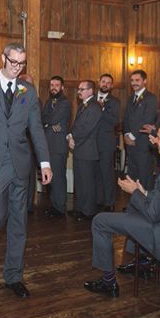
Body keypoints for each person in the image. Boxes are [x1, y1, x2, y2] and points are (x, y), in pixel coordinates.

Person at [0, 43, 52, 299]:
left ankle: (13, 276)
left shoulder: (29, 90)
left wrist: (45, 163)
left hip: (21, 164)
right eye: (13, 62)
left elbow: (36, 129)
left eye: (21, 64)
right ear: (3, 58)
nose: (17, 68)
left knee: (19, 221)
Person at [85, 120, 160, 297]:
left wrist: (134, 192)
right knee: (134, 206)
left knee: (100, 221)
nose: (156, 140)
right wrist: (144, 193)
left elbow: (153, 214)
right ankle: (142, 262)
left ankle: (109, 282)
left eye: (159, 137)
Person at [69, 80, 102, 219]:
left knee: (87, 183)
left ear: (90, 90)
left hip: (87, 149)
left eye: (82, 89)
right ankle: (80, 208)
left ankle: (88, 211)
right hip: (80, 149)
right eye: (79, 89)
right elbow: (77, 125)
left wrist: (73, 137)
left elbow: (87, 128)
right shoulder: (84, 105)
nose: (79, 92)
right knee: (80, 181)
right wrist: (71, 135)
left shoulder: (94, 107)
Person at [41, 76, 72, 217]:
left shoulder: (65, 103)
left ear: (62, 87)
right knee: (51, 177)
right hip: (48, 144)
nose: (54, 87)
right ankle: (54, 205)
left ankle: (60, 207)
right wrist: (50, 124)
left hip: (58, 146)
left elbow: (53, 119)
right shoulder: (49, 101)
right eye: (52, 84)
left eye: (57, 85)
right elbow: (43, 117)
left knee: (58, 177)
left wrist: (49, 122)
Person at [122, 70, 158, 189]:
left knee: (143, 177)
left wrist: (132, 136)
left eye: (137, 80)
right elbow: (126, 118)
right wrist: (126, 134)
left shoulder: (151, 98)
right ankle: (133, 205)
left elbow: (148, 119)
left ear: (145, 81)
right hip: (130, 145)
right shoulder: (130, 97)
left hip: (143, 144)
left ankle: (144, 206)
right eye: (132, 80)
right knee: (132, 176)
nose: (134, 83)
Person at [96, 74, 121, 212]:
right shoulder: (91, 99)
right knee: (96, 173)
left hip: (106, 142)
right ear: (99, 82)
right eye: (103, 81)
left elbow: (114, 121)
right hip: (92, 142)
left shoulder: (115, 102)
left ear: (111, 86)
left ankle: (109, 201)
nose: (105, 84)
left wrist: (101, 109)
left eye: (108, 83)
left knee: (107, 173)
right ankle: (99, 200)